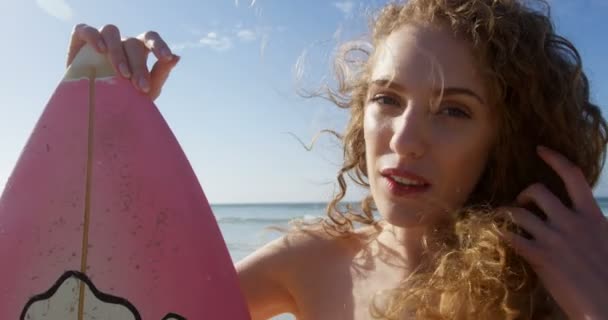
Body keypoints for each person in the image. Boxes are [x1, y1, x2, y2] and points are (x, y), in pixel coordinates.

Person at [66, 0, 608, 319]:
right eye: (387, 100)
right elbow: (125, 304)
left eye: (454, 111)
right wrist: (109, 117)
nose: (404, 139)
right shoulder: (311, 260)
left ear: (504, 137)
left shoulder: (553, 277)